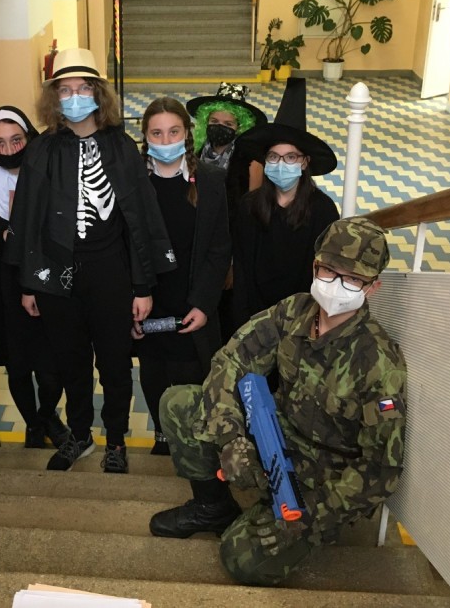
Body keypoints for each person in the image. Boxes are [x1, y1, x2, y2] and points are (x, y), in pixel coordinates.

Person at [149, 217, 406, 587]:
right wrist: (232, 437)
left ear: (373, 287)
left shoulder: (379, 362)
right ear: (315, 267)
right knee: (178, 404)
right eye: (329, 271)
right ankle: (212, 508)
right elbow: (232, 360)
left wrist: (311, 517)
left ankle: (272, 521)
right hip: (273, 436)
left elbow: (381, 469)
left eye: (352, 279)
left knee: (240, 559)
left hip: (319, 480)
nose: (336, 285)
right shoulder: (294, 312)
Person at [4, 48, 175, 474]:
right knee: (71, 362)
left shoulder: (121, 148)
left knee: (115, 364)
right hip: (57, 275)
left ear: (98, 94)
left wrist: (142, 287)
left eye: (83, 88)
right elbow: (28, 219)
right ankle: (79, 434)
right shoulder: (41, 150)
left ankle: (115, 440)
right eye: (66, 90)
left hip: (110, 272)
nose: (75, 97)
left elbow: (140, 220)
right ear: (55, 98)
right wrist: (30, 284)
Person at [0, 105, 71, 448]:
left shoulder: (49, 174)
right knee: (18, 366)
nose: (9, 149)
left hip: (47, 282)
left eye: (16, 140)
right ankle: (33, 425)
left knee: (52, 368)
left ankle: (48, 415)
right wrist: (0, 239)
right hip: (5, 289)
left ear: (29, 138)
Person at [133, 98, 231, 456]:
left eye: (173, 132)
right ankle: (162, 435)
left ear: (187, 134)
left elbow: (219, 249)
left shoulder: (210, 180)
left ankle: (190, 441)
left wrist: (203, 304)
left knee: (191, 375)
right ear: (145, 137)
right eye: (156, 133)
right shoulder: (133, 183)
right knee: (153, 371)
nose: (165, 140)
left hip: (191, 302)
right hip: (148, 300)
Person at [230, 78, 339, 324]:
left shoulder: (323, 210)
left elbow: (325, 273)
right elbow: (242, 269)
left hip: (303, 317)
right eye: (274, 157)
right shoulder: (249, 206)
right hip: (256, 317)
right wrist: (245, 322)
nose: (281, 164)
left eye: (290, 157)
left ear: (304, 162)